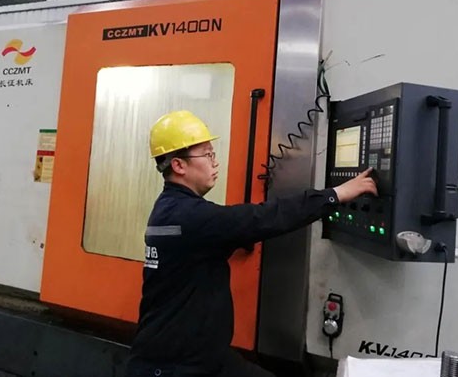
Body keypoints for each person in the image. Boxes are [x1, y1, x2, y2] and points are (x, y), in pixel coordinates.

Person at [126, 110, 378, 377]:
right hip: (175, 367)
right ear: (179, 165)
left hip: (195, 357)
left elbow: (220, 234)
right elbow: (262, 218)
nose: (215, 162)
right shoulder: (189, 217)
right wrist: (335, 194)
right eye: (207, 155)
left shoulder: (169, 210)